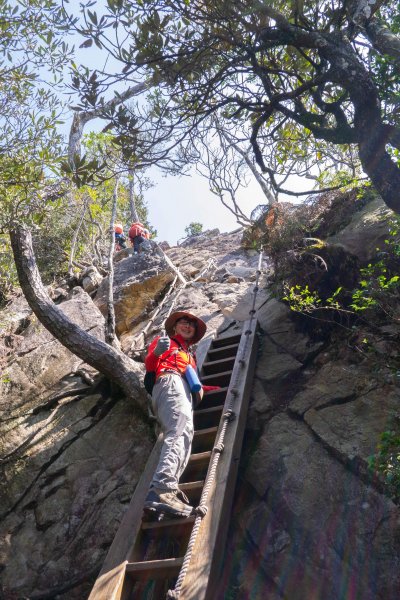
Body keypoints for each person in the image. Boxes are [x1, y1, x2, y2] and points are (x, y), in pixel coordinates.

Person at [144, 311, 218, 518]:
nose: (187, 326)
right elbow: (151, 366)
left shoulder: (189, 355)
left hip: (181, 389)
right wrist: (156, 353)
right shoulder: (165, 341)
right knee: (179, 432)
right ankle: (161, 490)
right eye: (183, 323)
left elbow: (194, 382)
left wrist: (212, 389)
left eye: (191, 325)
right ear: (175, 327)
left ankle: (161, 497)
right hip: (169, 382)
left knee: (184, 434)